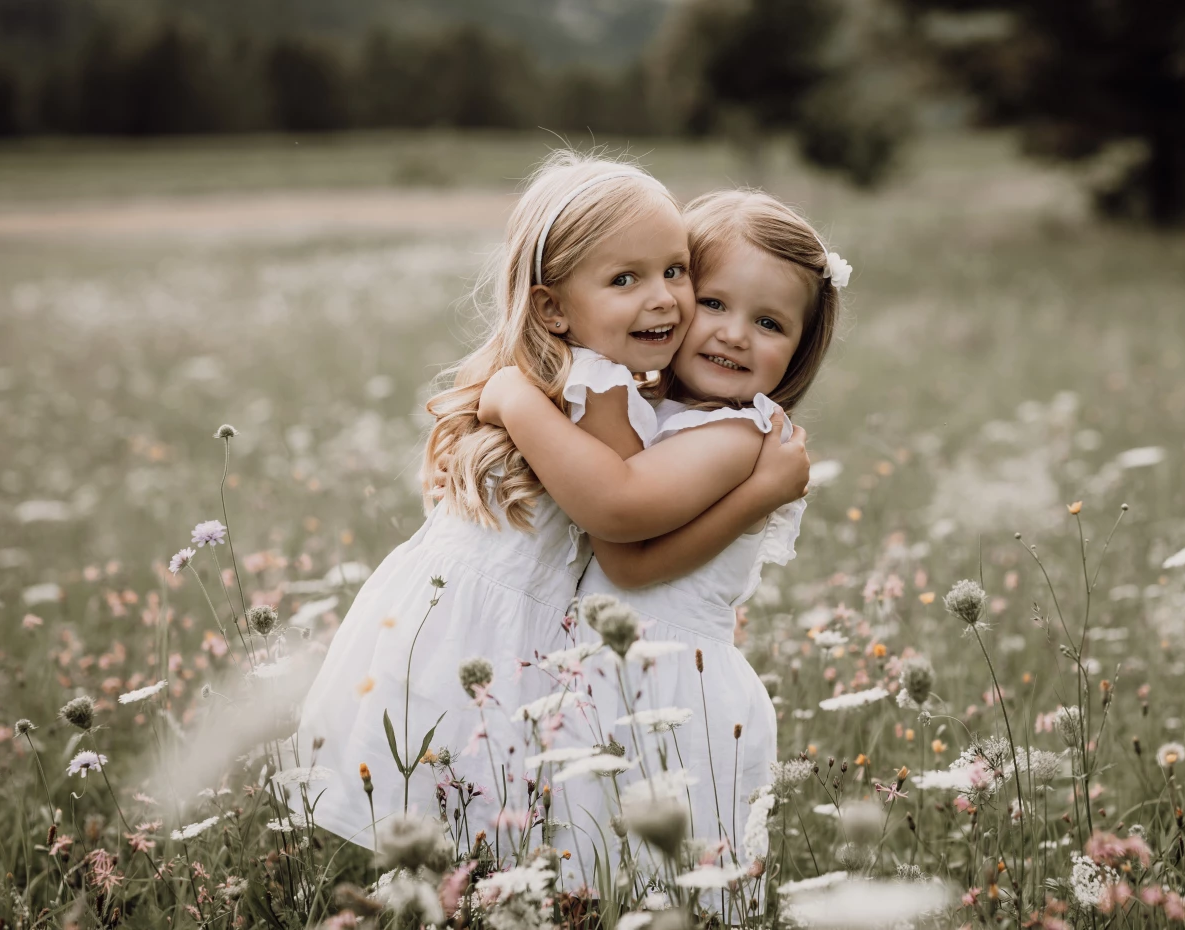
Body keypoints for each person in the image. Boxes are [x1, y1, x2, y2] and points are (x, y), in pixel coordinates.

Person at [290, 153, 810, 862]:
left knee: (485, 847)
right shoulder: (593, 385)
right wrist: (513, 397)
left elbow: (623, 528)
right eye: (626, 278)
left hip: (477, 634)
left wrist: (510, 395)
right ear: (552, 306)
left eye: (674, 272)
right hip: (487, 638)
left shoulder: (592, 387)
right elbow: (620, 515)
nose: (663, 299)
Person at [478, 189, 845, 895]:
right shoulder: (654, 409)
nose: (735, 334)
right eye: (713, 302)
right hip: (612, 678)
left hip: (674, 689)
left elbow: (627, 553)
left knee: (666, 890)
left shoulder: (737, 437)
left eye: (769, 323)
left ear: (800, 349)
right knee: (591, 882)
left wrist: (762, 495)